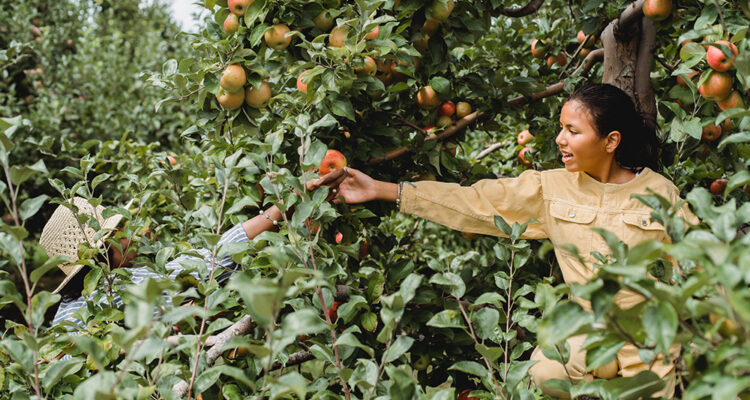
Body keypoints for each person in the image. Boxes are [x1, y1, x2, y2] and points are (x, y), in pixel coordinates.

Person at [334, 83, 699, 398]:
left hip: (649, 339)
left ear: (610, 141)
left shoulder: (658, 192)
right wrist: (383, 190)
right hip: (588, 332)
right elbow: (474, 202)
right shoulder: (550, 188)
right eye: (561, 128)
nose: (560, 140)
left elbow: (700, 261)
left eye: (572, 131)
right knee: (546, 370)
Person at [42, 169, 347, 329]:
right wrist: (279, 209)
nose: (129, 236)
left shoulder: (62, 320)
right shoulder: (123, 288)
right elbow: (209, 262)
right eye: (119, 233)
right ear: (103, 250)